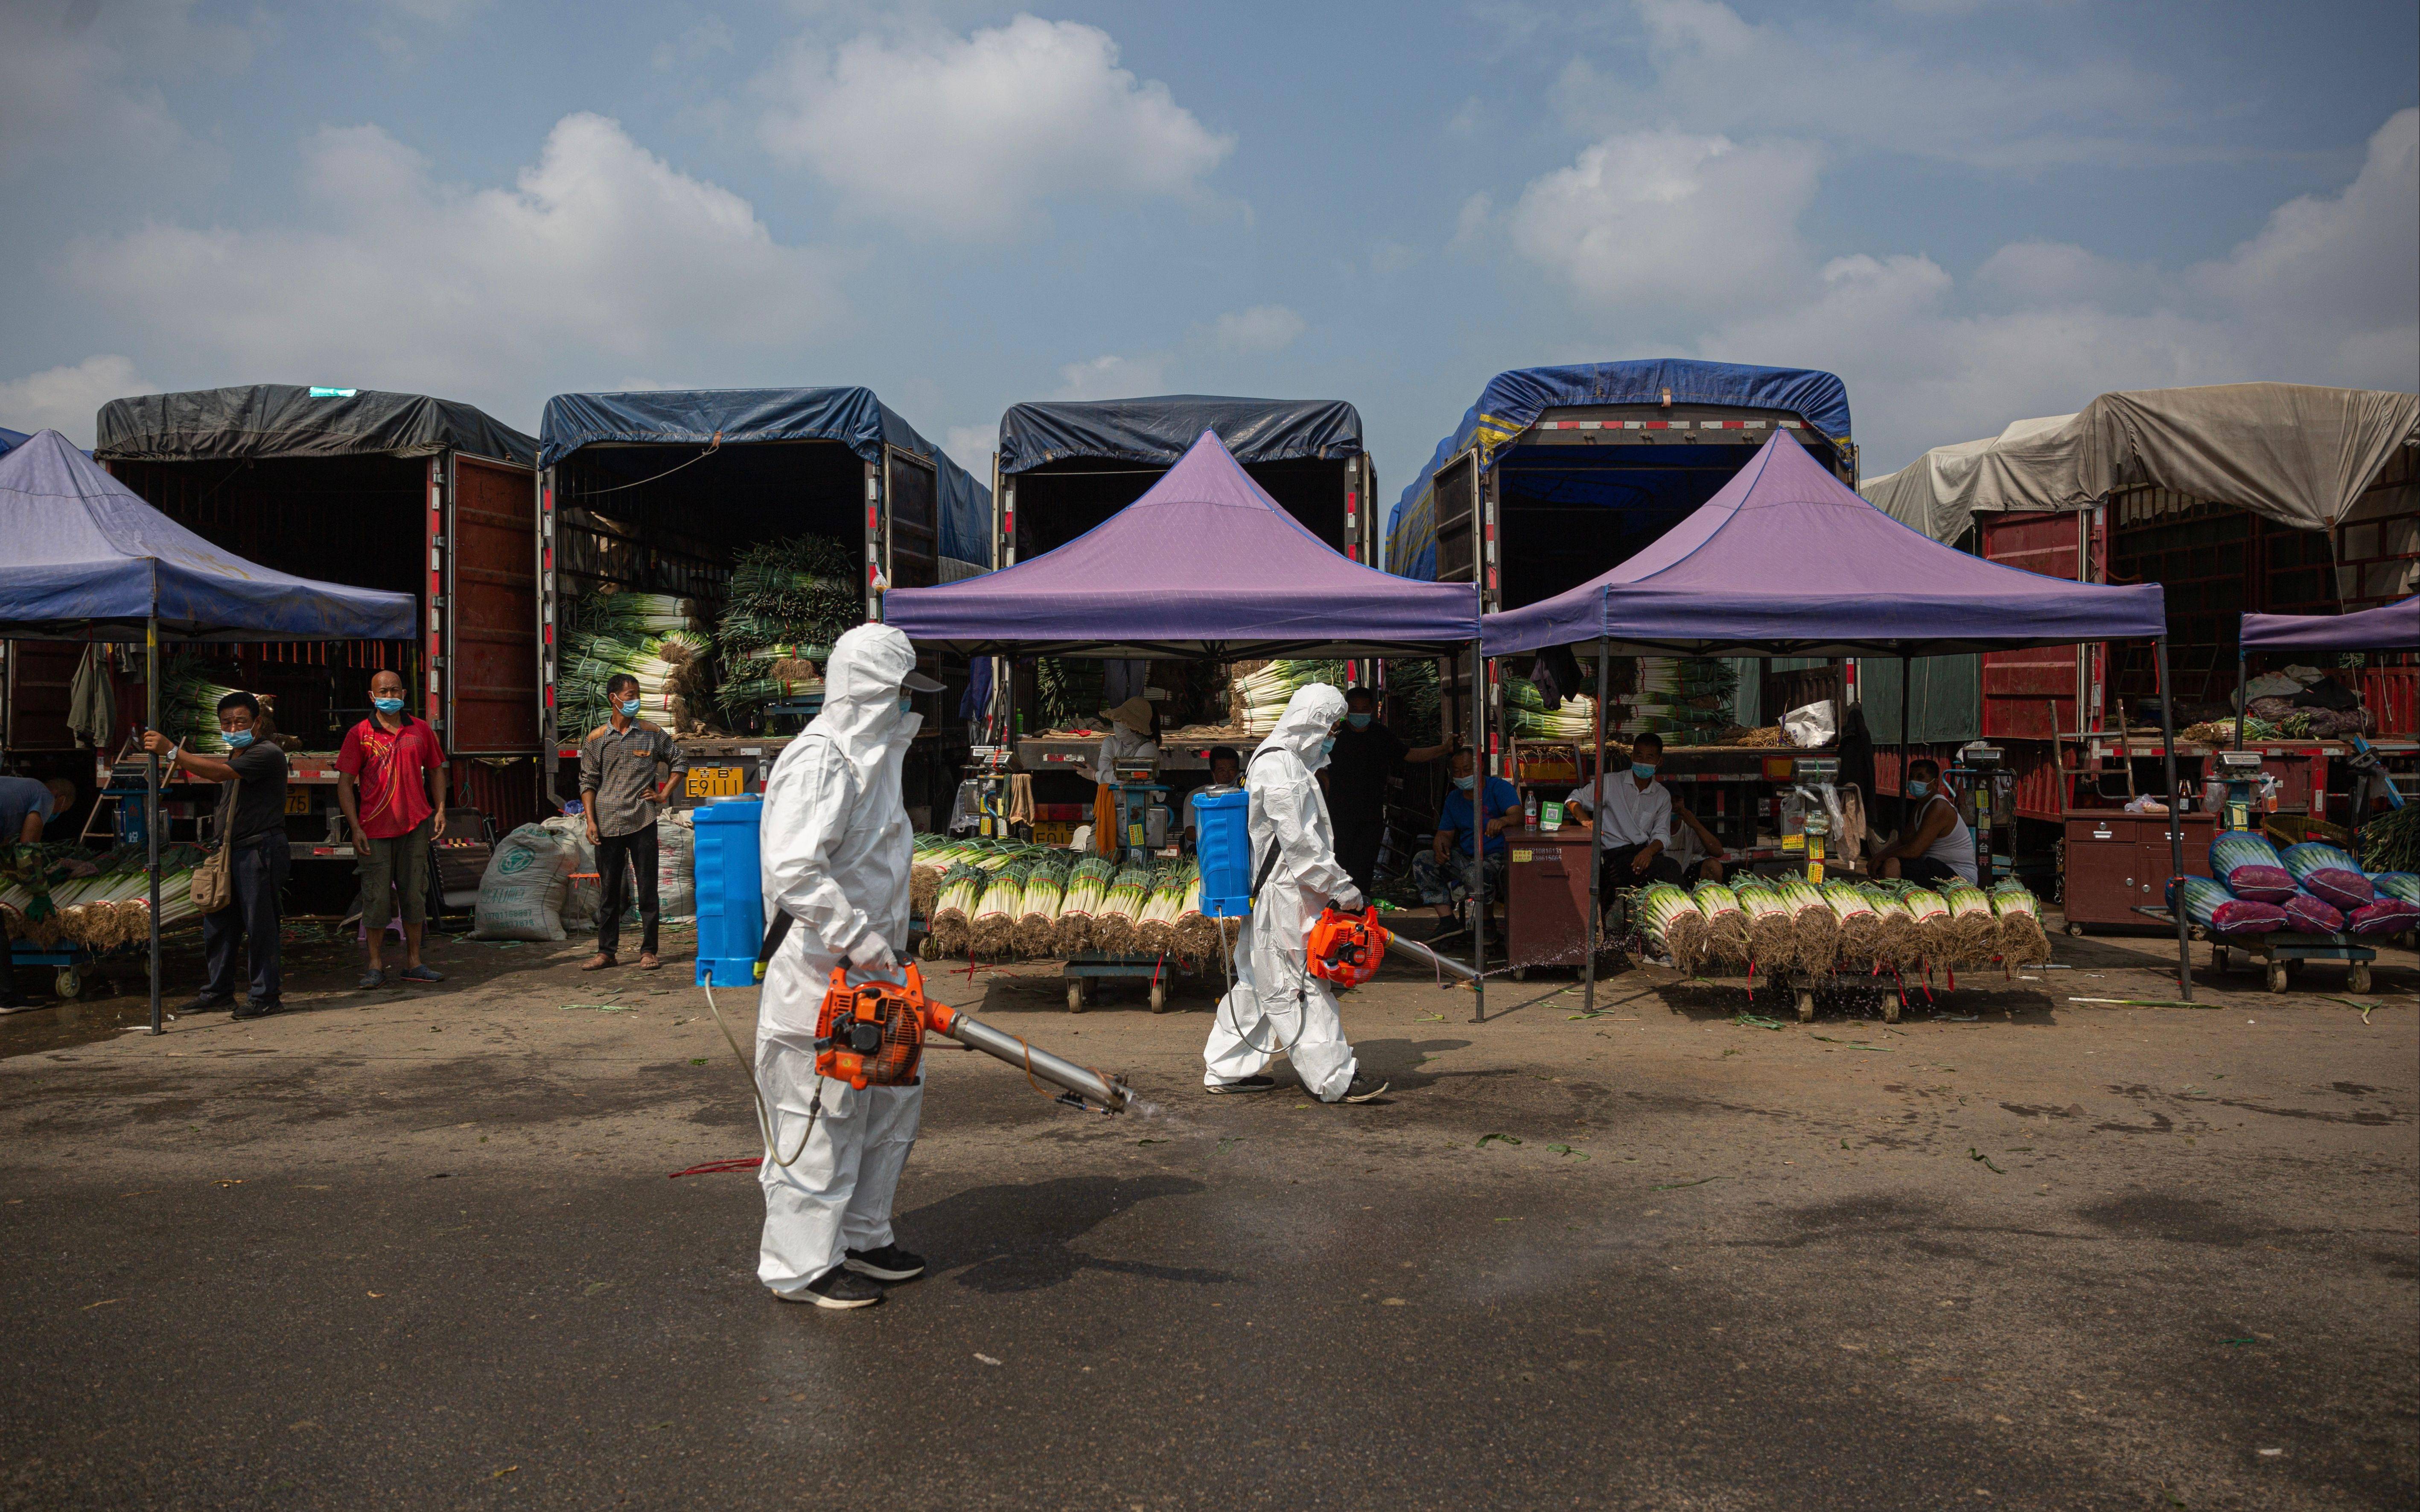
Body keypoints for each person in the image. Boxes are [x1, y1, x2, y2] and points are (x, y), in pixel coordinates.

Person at [753, 623, 947, 1308]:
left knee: (889, 1107)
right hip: (820, 978)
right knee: (818, 1120)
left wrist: (892, 942)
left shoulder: (873, 759)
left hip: (876, 973)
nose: (905, 706)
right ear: (869, 690)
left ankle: (864, 1234)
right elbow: (796, 872)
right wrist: (862, 941)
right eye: (897, 692)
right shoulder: (821, 760)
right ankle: (801, 1266)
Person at [1201, 684, 1386, 1104]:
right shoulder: (1282, 767)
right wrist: (1343, 888)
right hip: (1283, 898)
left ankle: (1226, 1068)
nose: (1333, 738)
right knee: (1299, 987)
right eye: (1332, 728)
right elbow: (1300, 845)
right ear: (1314, 723)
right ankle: (1334, 1078)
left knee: (1255, 983)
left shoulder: (1278, 760)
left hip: (1278, 894)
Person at [142, 693, 289, 1019]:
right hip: (231, 851)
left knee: (260, 925)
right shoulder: (235, 752)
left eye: (240, 721)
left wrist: (171, 751)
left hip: (259, 850)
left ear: (257, 723)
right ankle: (219, 992)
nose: (233, 727)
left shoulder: (266, 753)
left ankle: (266, 996)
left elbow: (218, 773)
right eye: (227, 723)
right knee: (219, 922)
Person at [336, 669, 448, 989]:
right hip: (374, 829)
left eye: (395, 690)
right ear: (372, 697)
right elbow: (345, 784)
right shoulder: (359, 734)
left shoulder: (421, 731)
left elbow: (438, 770)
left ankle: (414, 962)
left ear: (404, 694)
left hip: (415, 827)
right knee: (376, 898)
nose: (389, 697)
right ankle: (375, 965)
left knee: (415, 894)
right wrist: (354, 826)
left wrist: (440, 809)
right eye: (383, 692)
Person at [578, 673, 688, 971]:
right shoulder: (596, 740)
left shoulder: (652, 733)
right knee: (610, 892)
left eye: (637, 695)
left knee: (648, 889)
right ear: (613, 699)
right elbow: (587, 782)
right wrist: (591, 821)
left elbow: (680, 762)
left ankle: (649, 950)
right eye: (630, 696)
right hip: (607, 822)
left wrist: (663, 793)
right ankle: (606, 952)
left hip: (642, 820)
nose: (635, 701)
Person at [1322, 687, 1447, 899]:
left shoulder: (1381, 735)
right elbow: (1316, 764)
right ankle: (1335, 910)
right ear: (1346, 711)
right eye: (1355, 709)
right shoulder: (1336, 736)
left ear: (1372, 710)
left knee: (1364, 867)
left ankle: (1360, 910)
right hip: (1339, 816)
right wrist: (1325, 786)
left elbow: (1409, 755)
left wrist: (1444, 749)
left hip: (1371, 816)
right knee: (1339, 864)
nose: (1360, 713)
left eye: (1364, 709)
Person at [1412, 746, 1519, 929]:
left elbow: (1518, 815)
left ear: (1481, 767)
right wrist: (1440, 847)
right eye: (1458, 772)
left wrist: (1502, 821)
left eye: (1468, 770)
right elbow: (1445, 834)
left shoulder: (1499, 788)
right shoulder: (1454, 799)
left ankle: (1487, 922)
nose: (1462, 775)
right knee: (1423, 861)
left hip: (1496, 857)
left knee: (1476, 872)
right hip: (1467, 856)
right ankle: (1447, 921)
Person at [1566, 731, 1684, 894]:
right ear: (1632, 756)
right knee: (1669, 868)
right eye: (1639, 756)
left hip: (1644, 854)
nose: (1643, 762)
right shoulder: (1611, 783)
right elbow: (1574, 799)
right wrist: (1585, 821)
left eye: (1650, 758)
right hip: (1616, 859)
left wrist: (1648, 852)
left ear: (1659, 762)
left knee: (1669, 870)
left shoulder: (1662, 795)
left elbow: (1662, 835)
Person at [1871, 758, 1978, 885]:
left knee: (1892, 865)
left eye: (1920, 777)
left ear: (1935, 784)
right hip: (1936, 867)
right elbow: (1904, 841)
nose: (1914, 781)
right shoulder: (1920, 807)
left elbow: (1914, 851)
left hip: (1958, 875)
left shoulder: (1939, 807)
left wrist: (1882, 858)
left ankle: (1895, 904)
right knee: (1888, 862)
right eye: (1911, 777)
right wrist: (1878, 857)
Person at [1091, 696, 1158, 859]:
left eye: (1124, 722)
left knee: (1138, 858)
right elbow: (1109, 773)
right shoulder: (1111, 742)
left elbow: (1132, 779)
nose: (1118, 725)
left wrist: (1095, 776)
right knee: (1099, 856)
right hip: (1110, 811)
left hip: (1139, 814)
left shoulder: (1149, 749)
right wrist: (1107, 777)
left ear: (1135, 728)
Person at [1183, 746, 1242, 848]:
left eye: (1231, 770)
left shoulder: (1243, 794)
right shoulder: (1197, 796)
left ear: (1238, 771)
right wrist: (1219, 840)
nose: (1227, 775)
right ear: (1213, 773)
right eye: (1222, 771)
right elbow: (1190, 833)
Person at [0, 775, 77, 845]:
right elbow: (28, 845)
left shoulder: (30, 787)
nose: (57, 813)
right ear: (61, 799)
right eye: (62, 810)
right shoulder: (46, 797)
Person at [1667, 798, 1729, 884]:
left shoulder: (1689, 828)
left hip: (1683, 876)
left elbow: (1718, 852)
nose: (1674, 806)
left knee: (1713, 866)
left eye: (1678, 801)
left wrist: (1695, 824)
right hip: (1662, 877)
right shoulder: (1656, 826)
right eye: (1670, 802)